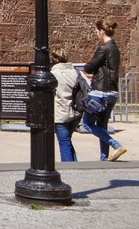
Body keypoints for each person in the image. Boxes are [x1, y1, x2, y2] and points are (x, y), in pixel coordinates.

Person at [81, 19, 127, 161]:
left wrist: (91, 71)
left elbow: (88, 67)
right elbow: (107, 68)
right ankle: (104, 158)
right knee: (102, 125)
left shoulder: (103, 48)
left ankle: (116, 145)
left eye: (96, 31)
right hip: (112, 92)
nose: (96, 34)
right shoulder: (115, 49)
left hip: (99, 92)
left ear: (101, 31)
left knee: (87, 124)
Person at [50, 46, 82, 162]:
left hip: (61, 112)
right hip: (75, 111)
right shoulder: (75, 72)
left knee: (64, 144)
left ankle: (68, 169)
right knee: (67, 141)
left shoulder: (53, 74)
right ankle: (75, 166)